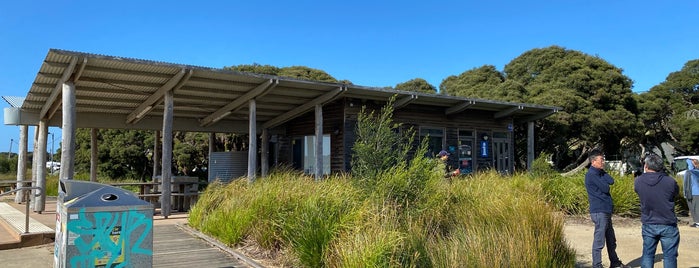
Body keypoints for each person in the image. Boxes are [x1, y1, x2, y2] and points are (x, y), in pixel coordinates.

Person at [634, 153, 680, 267]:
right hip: (668, 223)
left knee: (648, 254)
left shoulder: (638, 181)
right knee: (669, 256)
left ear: (646, 166)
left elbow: (638, 191)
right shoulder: (670, 181)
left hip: (649, 222)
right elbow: (675, 194)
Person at [585, 149, 627, 268]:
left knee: (611, 239)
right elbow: (605, 188)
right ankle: (597, 265)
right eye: (601, 159)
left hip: (606, 210)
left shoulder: (600, 173)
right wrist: (601, 174)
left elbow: (611, 181)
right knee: (599, 241)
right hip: (599, 211)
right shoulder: (591, 175)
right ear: (593, 161)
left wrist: (602, 171)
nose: (603, 161)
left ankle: (614, 262)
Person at [684, 157, 699, 228]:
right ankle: (696, 222)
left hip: (695, 193)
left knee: (696, 208)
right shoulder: (691, 172)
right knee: (693, 208)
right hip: (691, 192)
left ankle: (698, 222)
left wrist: (689, 160)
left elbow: (691, 169)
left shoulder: (695, 171)